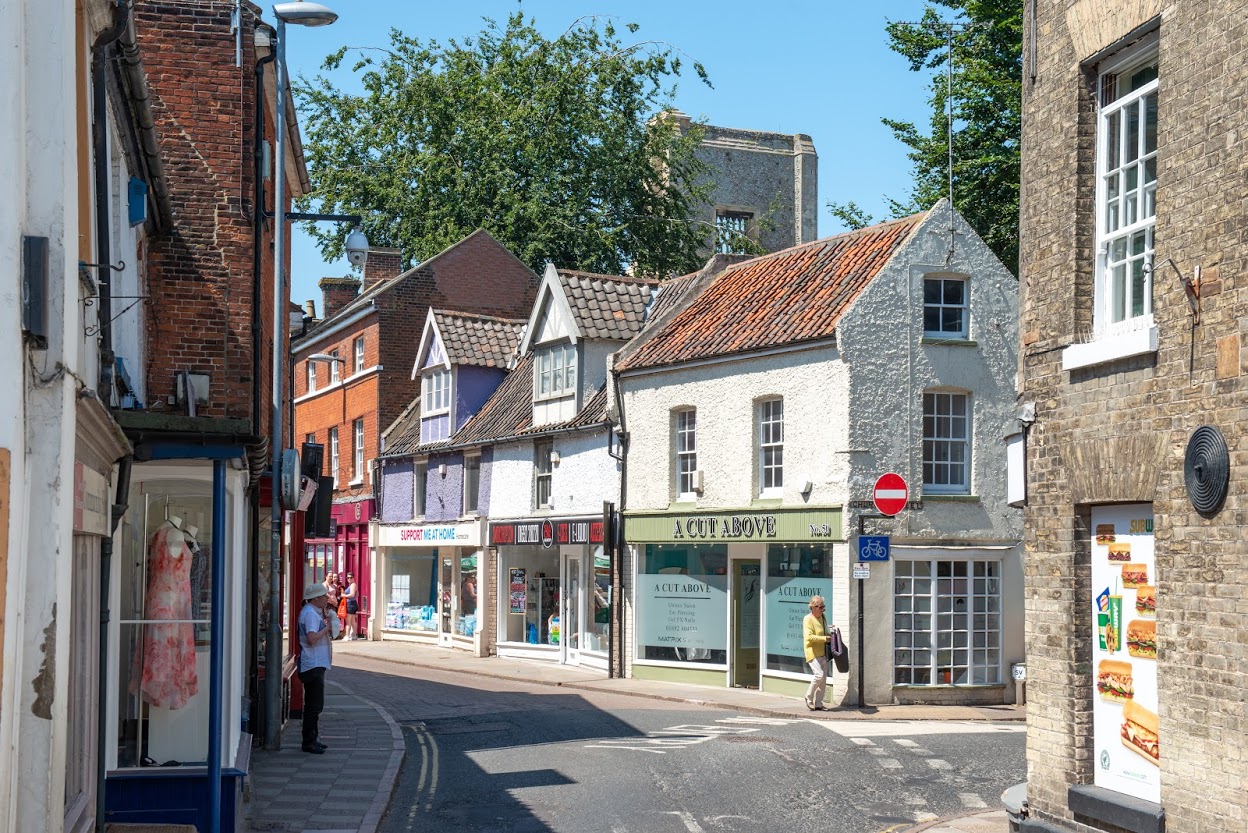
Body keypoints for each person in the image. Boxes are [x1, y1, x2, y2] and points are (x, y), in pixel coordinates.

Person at [298, 583, 333, 753]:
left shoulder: (311, 612)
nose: (327, 598)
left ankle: (313, 739)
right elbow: (312, 639)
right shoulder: (310, 614)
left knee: (315, 705)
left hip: (314, 664)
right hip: (313, 664)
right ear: (316, 598)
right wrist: (326, 629)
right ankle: (308, 743)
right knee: (314, 706)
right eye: (324, 596)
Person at [803, 595, 835, 711]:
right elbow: (809, 637)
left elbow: (825, 631)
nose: (822, 610)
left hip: (823, 652)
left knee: (824, 679)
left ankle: (819, 704)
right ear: (813, 607)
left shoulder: (823, 617)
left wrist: (831, 631)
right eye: (820, 607)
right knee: (819, 675)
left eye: (823, 607)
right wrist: (824, 639)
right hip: (812, 651)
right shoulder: (808, 619)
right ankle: (808, 697)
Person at [342, 573, 360, 640]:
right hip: (353, 603)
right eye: (348, 578)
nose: (349, 579)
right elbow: (357, 594)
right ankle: (354, 635)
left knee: (348, 622)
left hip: (350, 604)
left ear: (353, 578)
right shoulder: (353, 585)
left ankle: (347, 636)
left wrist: (344, 596)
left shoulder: (352, 585)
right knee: (353, 621)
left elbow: (352, 595)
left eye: (351, 577)